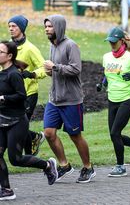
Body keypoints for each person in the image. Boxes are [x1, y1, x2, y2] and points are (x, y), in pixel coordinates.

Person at [0, 41, 57, 201]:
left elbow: (21, 96)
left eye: (0, 51)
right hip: (1, 120)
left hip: (17, 122)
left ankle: (47, 165)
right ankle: (6, 190)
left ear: (9, 56)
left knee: (16, 159)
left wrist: (3, 98)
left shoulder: (14, 74)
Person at [43, 14, 95, 183]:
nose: (47, 30)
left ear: (58, 27)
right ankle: (64, 165)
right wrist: (50, 71)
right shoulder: (53, 45)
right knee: (49, 133)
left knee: (75, 136)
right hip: (54, 99)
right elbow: (56, 69)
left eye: (50, 27)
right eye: (45, 27)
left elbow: (76, 69)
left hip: (71, 100)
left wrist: (55, 67)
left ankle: (88, 167)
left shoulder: (70, 45)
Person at [101, 27, 130, 177]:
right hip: (112, 99)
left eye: (114, 42)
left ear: (122, 41)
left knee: (115, 133)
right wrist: (102, 83)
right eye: (110, 42)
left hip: (127, 99)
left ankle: (120, 166)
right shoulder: (106, 57)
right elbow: (108, 74)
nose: (112, 44)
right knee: (114, 134)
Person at [8, 15, 46, 156]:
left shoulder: (30, 49)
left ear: (22, 29)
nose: (11, 29)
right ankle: (34, 138)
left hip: (28, 94)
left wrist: (32, 74)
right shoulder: (7, 47)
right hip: (10, 94)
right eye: (9, 26)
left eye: (14, 26)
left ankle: (28, 149)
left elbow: (44, 68)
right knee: (11, 123)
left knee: (18, 124)